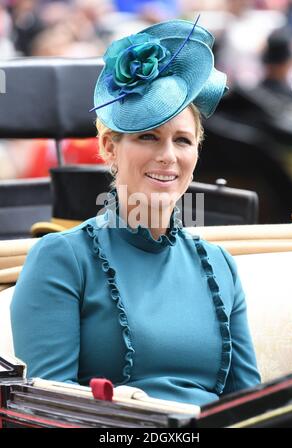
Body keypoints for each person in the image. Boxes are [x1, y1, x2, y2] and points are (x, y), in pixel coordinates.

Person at [10, 16, 261, 407]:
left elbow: (251, 404)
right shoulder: (61, 258)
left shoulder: (220, 264)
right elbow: (47, 409)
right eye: (148, 136)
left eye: (182, 140)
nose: (168, 156)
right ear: (109, 147)